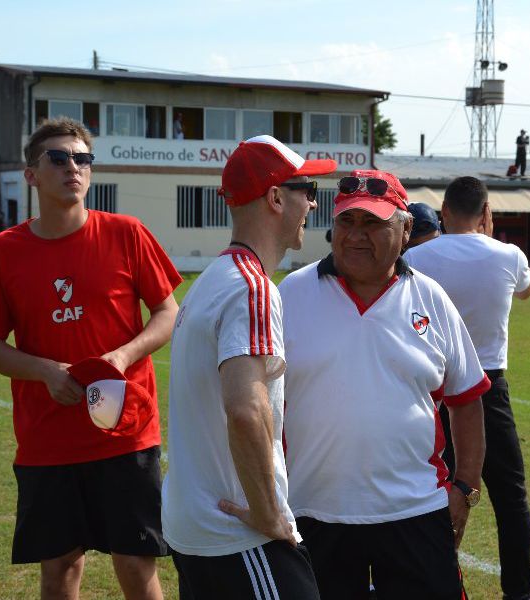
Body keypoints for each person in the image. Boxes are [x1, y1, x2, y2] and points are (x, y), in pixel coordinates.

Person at [0, 117, 182, 600]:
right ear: (31, 175)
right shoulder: (4, 252)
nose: (73, 168)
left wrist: (124, 356)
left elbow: (167, 313)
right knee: (61, 566)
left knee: (135, 562)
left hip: (125, 430)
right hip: (49, 437)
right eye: (59, 158)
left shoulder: (127, 233)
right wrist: (43, 371)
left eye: (82, 158)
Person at [278, 170, 489, 599]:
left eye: (373, 223)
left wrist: (465, 488)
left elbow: (466, 400)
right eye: (347, 222)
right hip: (312, 513)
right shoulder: (290, 294)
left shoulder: (431, 298)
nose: (357, 236)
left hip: (416, 511)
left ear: (406, 228)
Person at [162, 135, 333, 599]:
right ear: (276, 197)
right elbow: (245, 408)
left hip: (197, 527)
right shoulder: (252, 286)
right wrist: (268, 513)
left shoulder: (211, 282)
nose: (314, 204)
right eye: (306, 190)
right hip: (238, 533)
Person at [404, 176, 530, 600]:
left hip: (432, 389)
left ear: (443, 213)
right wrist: (490, 239)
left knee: (428, 491)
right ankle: (519, 591)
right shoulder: (508, 255)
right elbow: (529, 288)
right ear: (486, 213)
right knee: (510, 497)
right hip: (487, 387)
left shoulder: (417, 257)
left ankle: (432, 581)